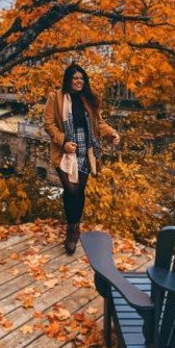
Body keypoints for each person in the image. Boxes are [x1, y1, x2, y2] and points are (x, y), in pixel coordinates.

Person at [43, 64, 121, 255]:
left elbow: (98, 123)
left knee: (79, 190)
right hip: (65, 150)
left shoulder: (89, 99)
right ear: (68, 80)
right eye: (75, 78)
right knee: (71, 189)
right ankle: (72, 227)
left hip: (85, 149)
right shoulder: (56, 97)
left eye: (81, 78)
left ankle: (73, 228)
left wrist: (111, 133)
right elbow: (49, 123)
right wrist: (63, 142)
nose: (79, 81)